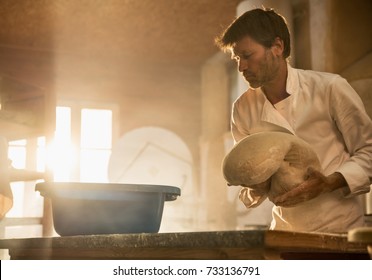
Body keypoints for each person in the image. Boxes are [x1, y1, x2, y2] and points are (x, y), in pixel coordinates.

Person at [215, 8, 372, 232]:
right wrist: (255, 185)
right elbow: (251, 177)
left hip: (339, 228)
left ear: (277, 47)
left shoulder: (329, 88)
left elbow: (369, 152)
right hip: (284, 231)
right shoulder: (242, 109)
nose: (241, 67)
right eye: (237, 58)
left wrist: (328, 183)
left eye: (248, 56)